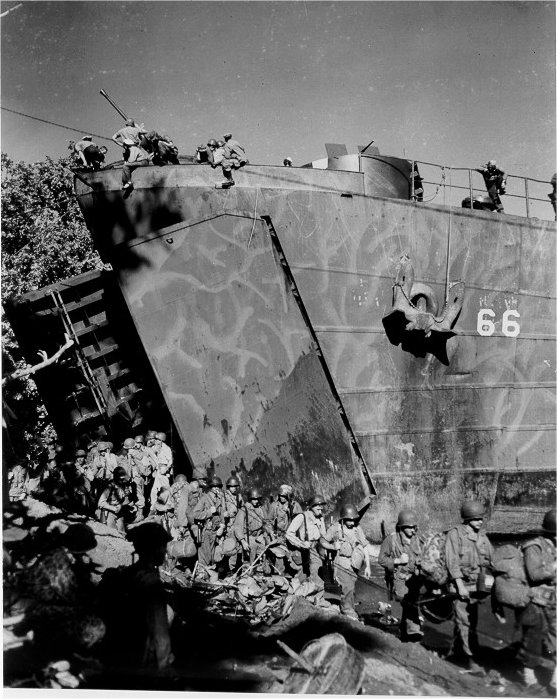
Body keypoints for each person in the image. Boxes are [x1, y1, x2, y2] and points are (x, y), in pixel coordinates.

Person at [21, 523, 105, 654]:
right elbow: (71, 595)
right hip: (34, 608)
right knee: (90, 621)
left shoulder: (58, 553)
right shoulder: (58, 560)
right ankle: (75, 651)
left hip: (37, 603)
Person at [105, 522, 174, 670]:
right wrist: (165, 668)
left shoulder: (127, 574)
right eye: (163, 546)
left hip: (125, 654)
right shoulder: (151, 583)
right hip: (143, 658)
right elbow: (161, 636)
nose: (165, 551)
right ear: (155, 549)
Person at [445, 500, 494, 674]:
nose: (480, 521)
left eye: (481, 518)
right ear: (468, 518)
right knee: (464, 622)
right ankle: (470, 660)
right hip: (460, 587)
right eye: (477, 518)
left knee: (470, 621)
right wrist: (460, 585)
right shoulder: (455, 534)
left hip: (477, 587)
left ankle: (455, 653)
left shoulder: (482, 536)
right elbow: (452, 563)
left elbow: (491, 558)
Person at [517, 509, 556, 690]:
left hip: (554, 602)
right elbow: (534, 574)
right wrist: (554, 566)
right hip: (537, 601)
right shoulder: (534, 546)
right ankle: (529, 678)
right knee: (532, 639)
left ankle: (555, 681)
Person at [378, 509, 423, 640]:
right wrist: (398, 561)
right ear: (401, 527)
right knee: (409, 601)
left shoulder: (417, 540)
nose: (412, 530)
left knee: (415, 600)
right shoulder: (391, 540)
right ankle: (413, 629)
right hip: (398, 578)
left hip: (414, 577)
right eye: (409, 527)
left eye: (414, 527)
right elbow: (381, 560)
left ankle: (404, 630)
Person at [286, 494, 328, 586]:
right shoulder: (302, 517)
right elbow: (289, 533)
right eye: (318, 507)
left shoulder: (320, 518)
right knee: (302, 577)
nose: (320, 510)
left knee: (316, 572)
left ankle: (316, 595)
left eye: (321, 508)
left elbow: (323, 535)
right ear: (312, 506)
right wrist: (301, 543)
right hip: (303, 550)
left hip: (317, 549)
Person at [267, 484, 302, 575]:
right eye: (280, 495)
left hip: (291, 536)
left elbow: (301, 520)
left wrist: (291, 512)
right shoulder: (274, 506)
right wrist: (271, 532)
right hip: (278, 535)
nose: (282, 498)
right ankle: (280, 577)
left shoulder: (295, 505)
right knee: (279, 556)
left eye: (284, 496)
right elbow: (268, 522)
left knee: (296, 557)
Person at [192, 475, 227, 567]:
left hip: (215, 531)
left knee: (212, 555)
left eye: (219, 486)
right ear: (211, 488)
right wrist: (208, 512)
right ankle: (202, 574)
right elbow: (195, 514)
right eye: (215, 486)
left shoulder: (219, 499)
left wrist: (222, 526)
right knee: (205, 555)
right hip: (206, 531)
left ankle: (210, 574)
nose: (217, 489)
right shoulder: (205, 498)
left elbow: (222, 513)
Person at [234, 487, 271, 568]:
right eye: (254, 499)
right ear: (250, 499)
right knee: (252, 552)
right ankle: (250, 572)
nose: (256, 501)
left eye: (257, 499)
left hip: (259, 536)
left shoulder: (260, 509)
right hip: (248, 537)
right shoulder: (244, 510)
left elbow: (265, 523)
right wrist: (243, 541)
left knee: (266, 551)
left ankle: (263, 571)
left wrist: (266, 534)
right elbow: (237, 526)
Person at [97, 466, 137, 532]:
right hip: (109, 513)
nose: (122, 481)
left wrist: (123, 505)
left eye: (123, 479)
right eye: (120, 479)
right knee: (113, 533)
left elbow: (124, 500)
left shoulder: (123, 486)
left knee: (122, 533)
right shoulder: (110, 487)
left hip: (119, 513)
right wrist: (114, 508)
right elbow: (101, 503)